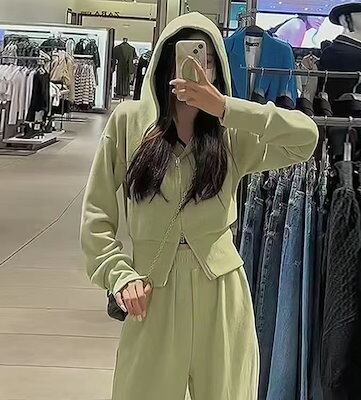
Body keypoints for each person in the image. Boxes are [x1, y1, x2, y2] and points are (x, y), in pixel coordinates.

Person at [80, 12, 318, 400]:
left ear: (218, 69)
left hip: (221, 293)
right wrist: (117, 274)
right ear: (163, 64)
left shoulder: (232, 133)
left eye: (207, 60)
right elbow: (96, 214)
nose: (195, 68)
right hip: (151, 293)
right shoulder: (128, 123)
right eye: (185, 57)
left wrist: (225, 107)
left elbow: (306, 139)